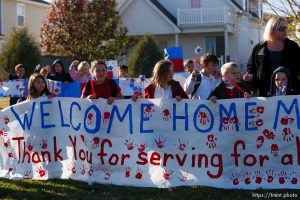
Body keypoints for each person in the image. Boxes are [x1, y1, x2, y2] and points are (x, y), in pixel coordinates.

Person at [246, 17, 300, 97]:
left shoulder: (293, 46)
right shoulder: (259, 47)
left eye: (285, 28)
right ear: (271, 29)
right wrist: (249, 77)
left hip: (289, 94)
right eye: (281, 28)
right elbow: (251, 69)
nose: (285, 31)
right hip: (264, 94)